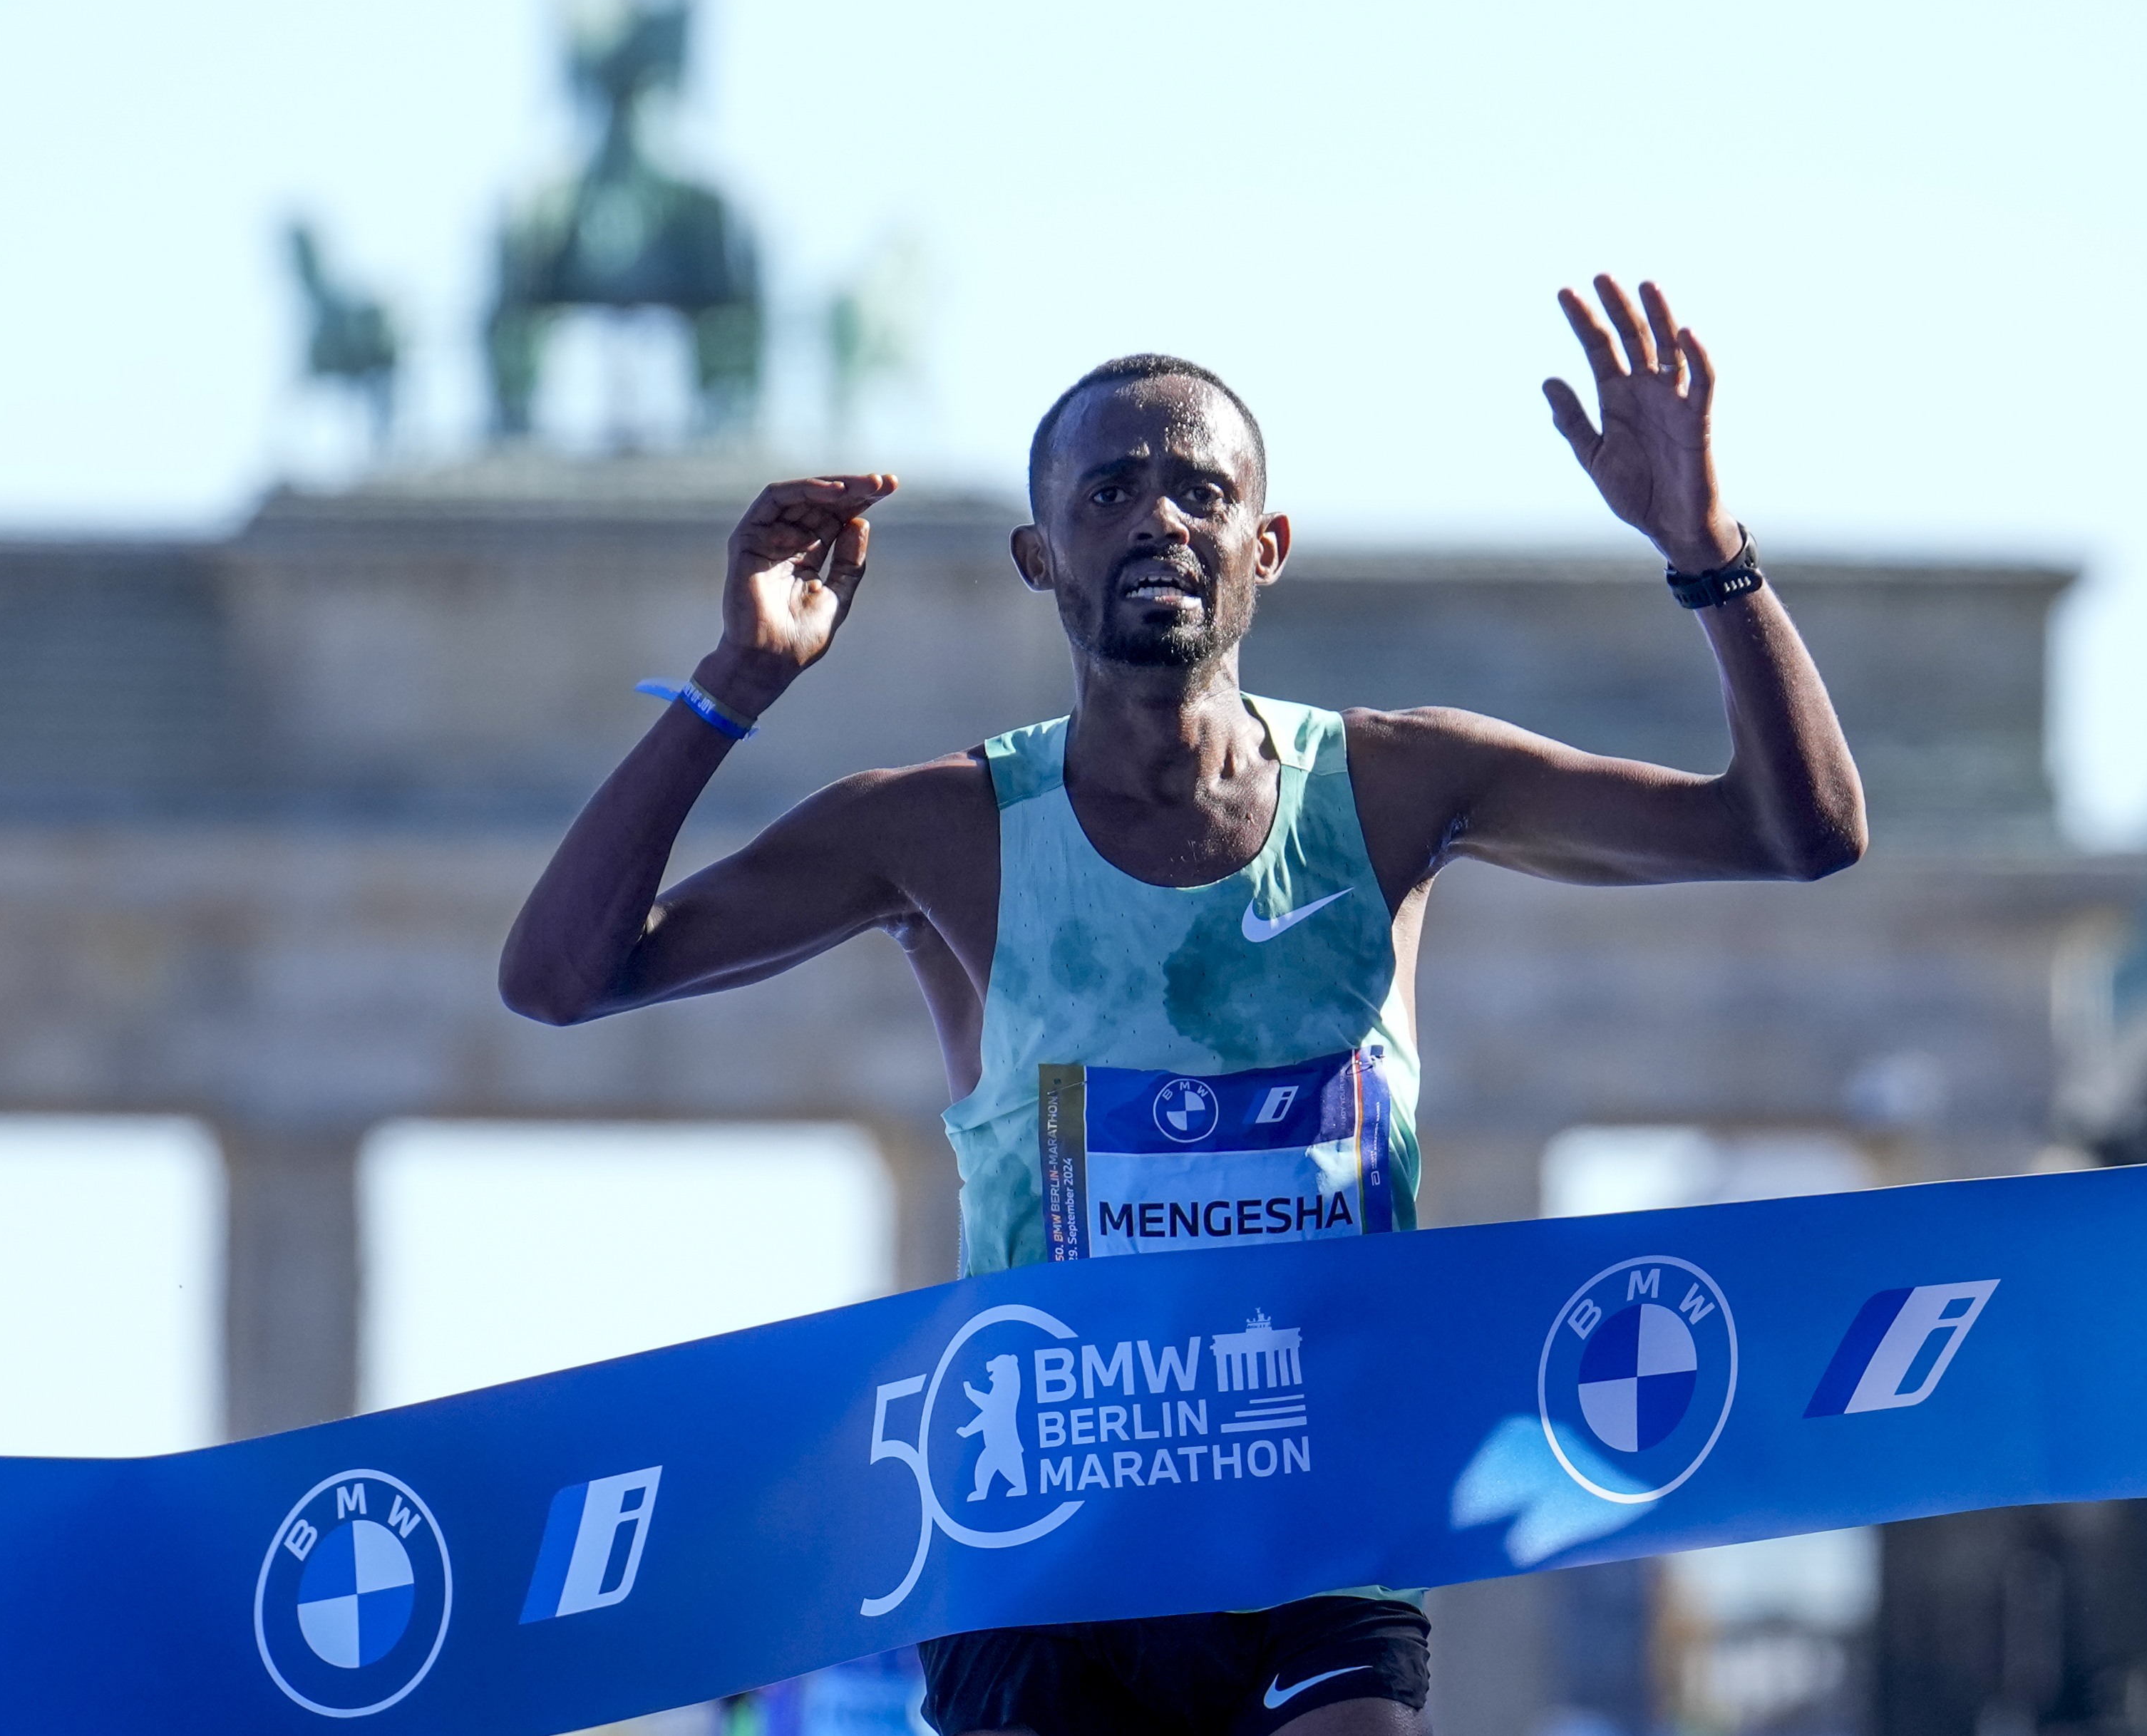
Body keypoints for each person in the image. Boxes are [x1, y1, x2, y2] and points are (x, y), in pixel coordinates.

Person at [498, 276, 1868, 1736]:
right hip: (1047, 1529)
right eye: (1110, 490)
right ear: (1042, 554)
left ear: (1265, 548)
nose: (1158, 515)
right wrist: (737, 677)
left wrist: (1708, 552)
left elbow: (1799, 831)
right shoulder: (941, 829)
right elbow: (563, 976)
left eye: (1200, 488)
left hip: (1317, 1491)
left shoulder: (1396, 788)